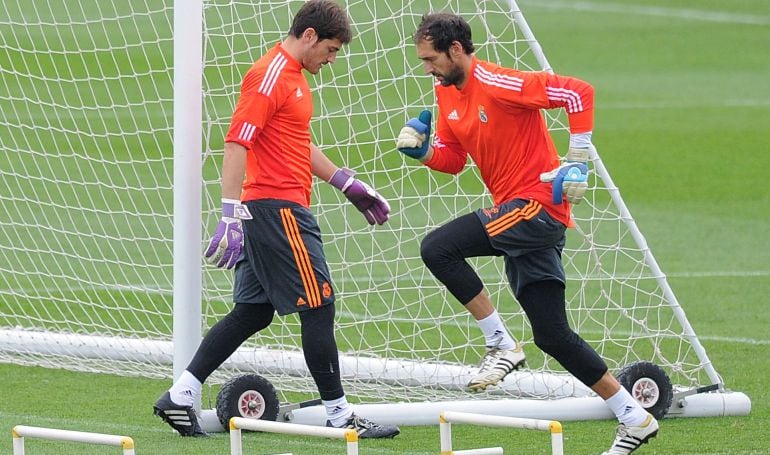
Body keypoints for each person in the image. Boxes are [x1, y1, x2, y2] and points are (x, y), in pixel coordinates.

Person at [395, 12, 657, 455]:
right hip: (520, 218)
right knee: (553, 336)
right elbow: (454, 158)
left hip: (536, 207)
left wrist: (576, 156)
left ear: (456, 49)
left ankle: (500, 344)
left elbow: (579, 92)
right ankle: (635, 416)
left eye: (431, 58)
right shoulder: (446, 95)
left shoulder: (500, 83)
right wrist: (423, 152)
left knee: (438, 248)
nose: (427, 68)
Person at [153, 0, 399, 439]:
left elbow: (296, 145)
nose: (332, 59)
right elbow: (235, 143)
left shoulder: (295, 79)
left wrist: (347, 183)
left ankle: (180, 396)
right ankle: (341, 417)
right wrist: (229, 212)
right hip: (278, 212)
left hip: (271, 210)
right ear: (308, 36)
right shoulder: (270, 76)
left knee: (252, 312)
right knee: (319, 306)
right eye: (330, 49)